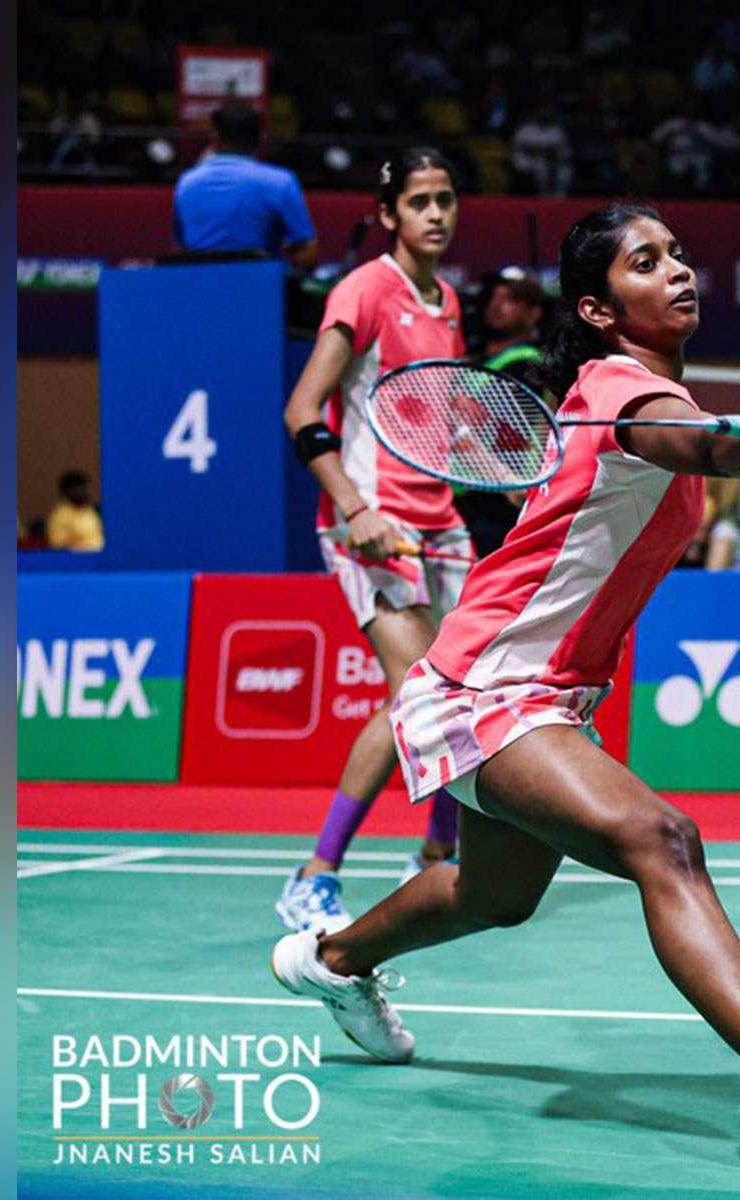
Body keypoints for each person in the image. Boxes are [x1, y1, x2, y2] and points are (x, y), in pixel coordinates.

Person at [271, 203, 740, 1180]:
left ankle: (329, 960)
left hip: (548, 692)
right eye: (646, 263)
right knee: (663, 840)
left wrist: (735, 436)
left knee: (493, 894)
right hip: (486, 684)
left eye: (679, 256)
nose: (678, 272)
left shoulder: (650, 394)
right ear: (599, 311)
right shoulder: (623, 390)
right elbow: (699, 445)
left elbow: (686, 452)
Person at [276, 148, 478, 936]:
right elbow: (302, 410)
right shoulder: (364, 290)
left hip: (441, 522)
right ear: (389, 214)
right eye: (420, 202)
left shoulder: (449, 301)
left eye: (447, 200)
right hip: (372, 527)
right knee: (415, 693)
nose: (436, 214)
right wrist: (356, 508)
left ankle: (436, 853)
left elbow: (436, 416)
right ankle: (315, 874)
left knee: (465, 688)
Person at [453, 267, 546, 557]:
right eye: (493, 297)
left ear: (534, 313)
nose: (497, 304)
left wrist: (453, 407)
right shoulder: (473, 360)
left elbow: (487, 422)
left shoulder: (529, 362)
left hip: (504, 503)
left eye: (510, 299)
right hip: (461, 503)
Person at [171, 100, 318, 272]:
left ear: (215, 136)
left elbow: (179, 251)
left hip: (198, 290)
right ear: (261, 138)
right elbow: (307, 254)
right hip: (261, 290)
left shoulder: (187, 182)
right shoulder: (281, 182)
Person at [45, 469, 104, 551]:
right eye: (78, 488)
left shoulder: (89, 511)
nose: (82, 492)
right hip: (79, 560)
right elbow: (58, 547)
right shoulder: (60, 516)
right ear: (66, 492)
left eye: (84, 488)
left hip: (101, 558)